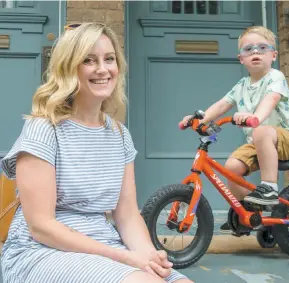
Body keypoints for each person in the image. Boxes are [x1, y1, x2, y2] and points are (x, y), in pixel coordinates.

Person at [1, 23, 192, 283]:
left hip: (106, 245)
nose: (103, 69)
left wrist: (148, 255)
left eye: (109, 59)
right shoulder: (44, 129)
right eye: (89, 60)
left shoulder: (119, 134)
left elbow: (126, 214)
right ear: (69, 67)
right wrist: (123, 257)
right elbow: (42, 226)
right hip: (41, 251)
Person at [180, 26, 289, 233]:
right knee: (231, 167)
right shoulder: (241, 85)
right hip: (258, 141)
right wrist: (200, 119)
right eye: (249, 49)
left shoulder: (276, 77)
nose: (255, 52)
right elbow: (222, 104)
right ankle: (246, 213)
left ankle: (269, 188)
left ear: (273, 55)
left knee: (262, 131)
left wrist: (255, 117)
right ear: (241, 58)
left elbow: (271, 99)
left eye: (262, 47)